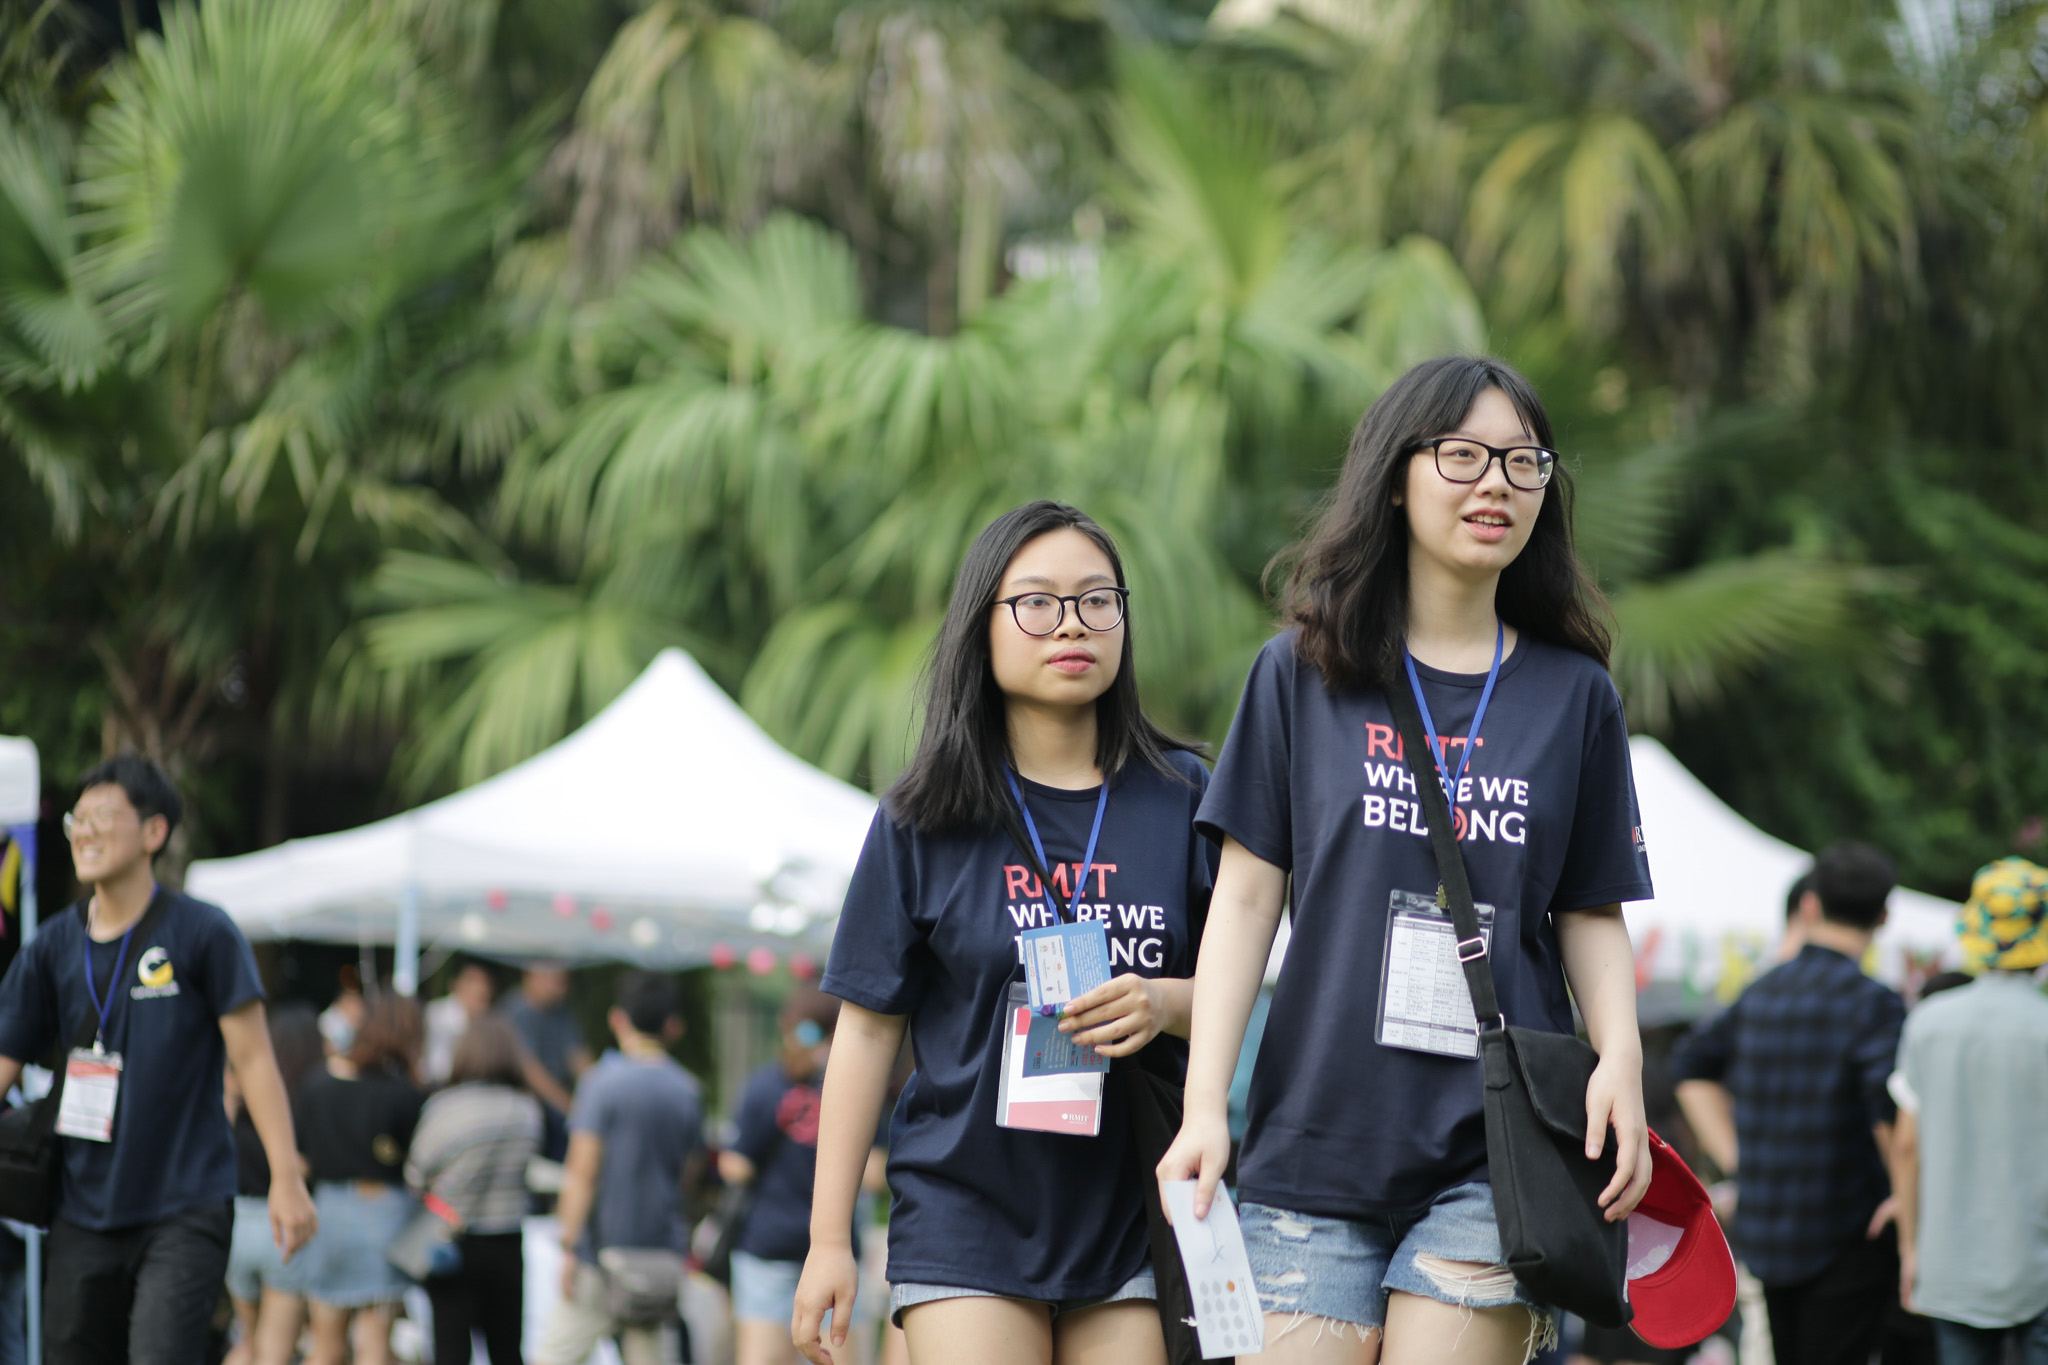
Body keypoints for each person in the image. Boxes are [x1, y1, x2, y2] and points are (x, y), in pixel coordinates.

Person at [1155, 356, 1657, 1364]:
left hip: (1496, 1159)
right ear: (1395, 475)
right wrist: (1205, 1104)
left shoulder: (1572, 696)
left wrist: (1623, 1061)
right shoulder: (1299, 675)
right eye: (1463, 456)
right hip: (1310, 1150)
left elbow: (1587, 909)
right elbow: (1246, 901)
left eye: (1523, 464)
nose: (1496, 485)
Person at [795, 501, 1215, 1365]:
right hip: (964, 1213)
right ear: (979, 625)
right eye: (1037, 601)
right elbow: (867, 1031)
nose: (1072, 624)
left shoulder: (1187, 796)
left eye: (1098, 600)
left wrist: (1168, 1001)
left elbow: (1251, 988)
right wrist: (828, 1239)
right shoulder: (924, 816)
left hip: (1137, 1210)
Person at [0, 753, 319, 1365]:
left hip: (185, 1206)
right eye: (77, 819)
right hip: (80, 1210)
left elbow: (253, 1060)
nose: (85, 832)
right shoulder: (50, 950)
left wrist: (286, 1177)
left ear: (154, 832)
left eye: (103, 817)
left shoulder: (204, 933)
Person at [1674, 843, 1905, 1365]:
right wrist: (1904, 1198)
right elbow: (1886, 1110)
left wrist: (1735, 1157)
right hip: (1848, 1230)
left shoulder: (1760, 994)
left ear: (1810, 906)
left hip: (1767, 1231)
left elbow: (1689, 1067)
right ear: (1885, 916)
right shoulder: (1876, 1003)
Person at [1891, 857, 2048, 1365]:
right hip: (2039, 1267)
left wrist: (1910, 1248)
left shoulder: (1929, 1021)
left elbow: (1907, 1144)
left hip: (1949, 1260)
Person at [537, 970, 704, 1365]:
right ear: (673, 1027)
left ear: (617, 1019)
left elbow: (582, 1171)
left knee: (554, 1356)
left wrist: (569, 1243)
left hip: (600, 1254)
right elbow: (690, 1173)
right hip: (657, 1255)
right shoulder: (687, 1091)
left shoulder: (599, 1083)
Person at [721, 985, 885, 1365]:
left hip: (768, 1246)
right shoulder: (856, 1089)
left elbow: (735, 1166)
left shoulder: (765, 1085)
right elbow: (875, 1175)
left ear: (787, 1027)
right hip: (838, 1253)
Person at [293, 994, 425, 1365]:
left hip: (329, 1212)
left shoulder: (317, 1082)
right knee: (374, 1346)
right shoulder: (404, 1094)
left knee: (325, 1346)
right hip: (384, 1212)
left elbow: (302, 1158)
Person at [406, 1013, 543, 1365]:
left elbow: (416, 1175)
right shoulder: (527, 1109)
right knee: (506, 1349)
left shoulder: (445, 1106)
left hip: (452, 1241)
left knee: (451, 1351)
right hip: (508, 1241)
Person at [225, 1003, 325, 1365]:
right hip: (285, 1231)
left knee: (247, 1342)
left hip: (237, 1228)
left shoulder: (245, 1102)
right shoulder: (310, 1100)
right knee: (274, 1351)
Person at [422, 960, 495, 1086]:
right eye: (478, 996)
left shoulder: (488, 1022)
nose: (482, 1004)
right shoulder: (437, 1015)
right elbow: (437, 1066)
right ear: (457, 986)